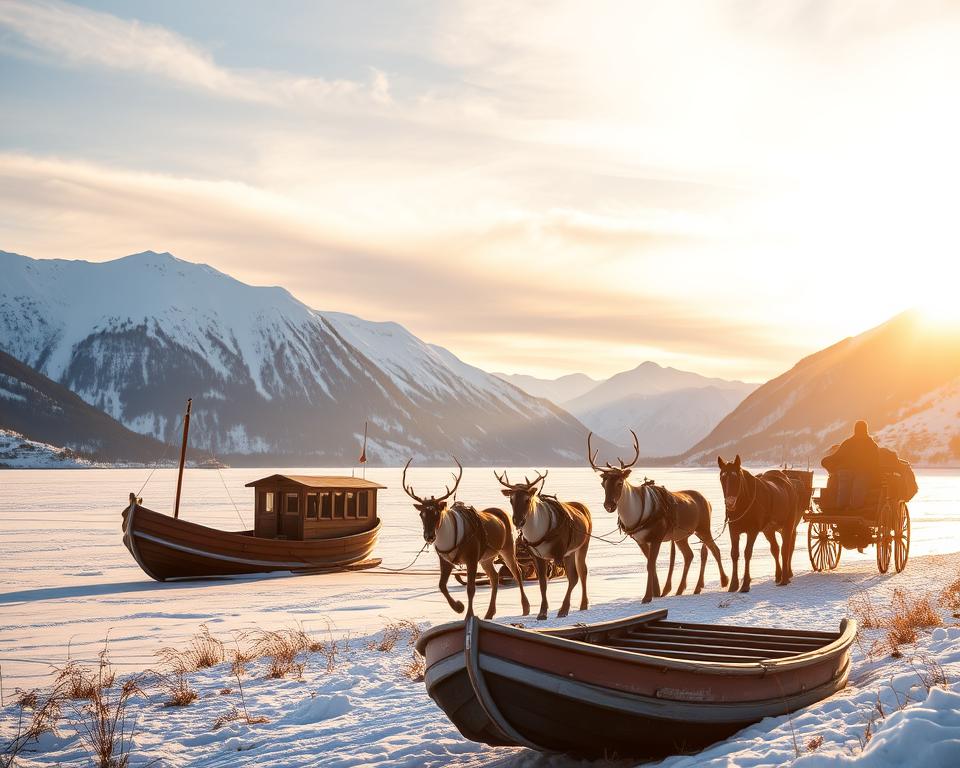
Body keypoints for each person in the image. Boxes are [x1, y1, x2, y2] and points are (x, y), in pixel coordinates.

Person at [821, 420, 880, 509]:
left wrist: (826, 461)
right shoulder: (871, 444)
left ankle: (841, 508)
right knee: (857, 490)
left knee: (844, 485)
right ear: (866, 430)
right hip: (862, 472)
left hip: (845, 471)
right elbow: (875, 463)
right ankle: (853, 508)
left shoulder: (848, 443)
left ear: (855, 430)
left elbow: (837, 456)